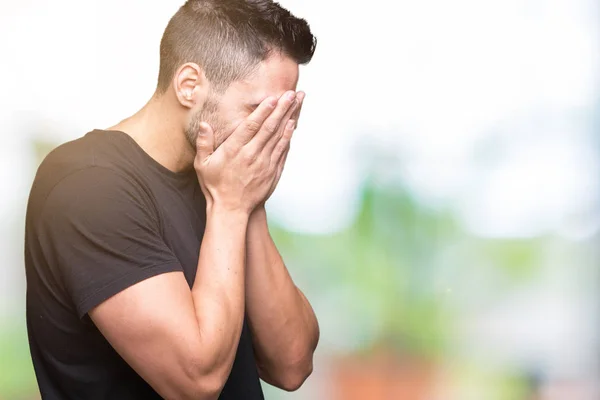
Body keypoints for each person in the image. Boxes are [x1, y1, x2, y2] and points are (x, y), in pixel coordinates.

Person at [24, 1, 319, 399]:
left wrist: (250, 202)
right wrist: (232, 205)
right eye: (257, 110)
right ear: (189, 86)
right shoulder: (89, 186)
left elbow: (292, 364)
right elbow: (196, 381)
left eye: (284, 114)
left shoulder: (224, 180)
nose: (271, 131)